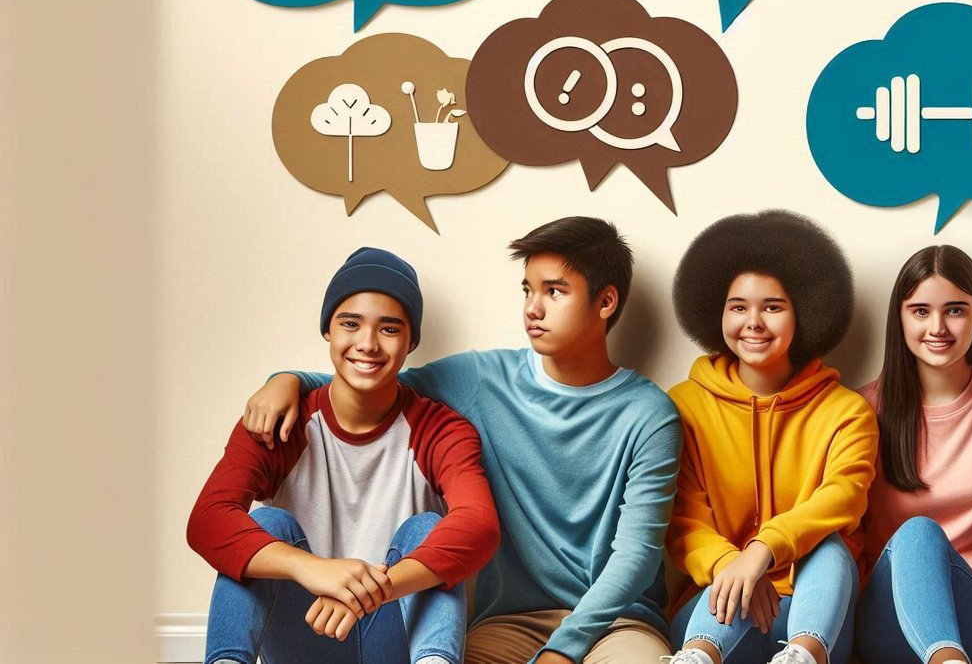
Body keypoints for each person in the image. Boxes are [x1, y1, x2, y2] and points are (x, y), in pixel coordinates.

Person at [241, 218, 682, 663]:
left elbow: (636, 558)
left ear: (605, 301)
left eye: (554, 291)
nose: (533, 308)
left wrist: (562, 653)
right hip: (510, 621)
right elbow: (373, 382)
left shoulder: (649, 415)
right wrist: (288, 380)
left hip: (618, 623)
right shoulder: (482, 381)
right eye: (527, 290)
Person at [188, 247, 499, 664]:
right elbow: (208, 520)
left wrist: (370, 590)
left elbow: (479, 527)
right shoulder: (279, 422)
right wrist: (311, 568)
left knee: (428, 529)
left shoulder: (440, 430)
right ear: (328, 331)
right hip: (306, 628)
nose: (367, 344)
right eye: (350, 324)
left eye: (389, 329)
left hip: (394, 637)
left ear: (411, 342)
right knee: (266, 524)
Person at [662, 210, 877, 664]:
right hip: (714, 610)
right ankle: (697, 657)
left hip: (817, 613)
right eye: (738, 306)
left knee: (829, 542)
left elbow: (843, 499)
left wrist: (763, 549)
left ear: (805, 312)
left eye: (772, 307)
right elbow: (683, 523)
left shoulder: (847, 412)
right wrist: (733, 566)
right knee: (729, 588)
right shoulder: (682, 406)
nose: (753, 322)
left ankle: (802, 657)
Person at [854, 244, 972, 664]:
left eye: (954, 310)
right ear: (899, 317)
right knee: (918, 534)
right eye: (920, 311)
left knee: (920, 531)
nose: (937, 327)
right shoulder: (860, 410)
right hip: (889, 621)